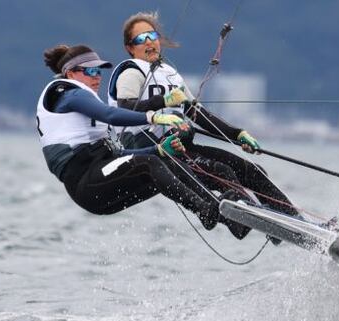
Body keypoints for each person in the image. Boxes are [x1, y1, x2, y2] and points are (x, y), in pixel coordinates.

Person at [108, 11, 300, 226]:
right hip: (154, 149)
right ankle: (256, 221)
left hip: (183, 145)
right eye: (141, 39)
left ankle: (295, 220)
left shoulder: (170, 74)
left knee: (250, 170)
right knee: (222, 172)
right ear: (130, 47)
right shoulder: (131, 72)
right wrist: (163, 100)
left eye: (152, 35)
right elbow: (124, 109)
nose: (150, 42)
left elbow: (198, 115)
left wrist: (237, 134)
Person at [37, 44, 250, 238]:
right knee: (150, 164)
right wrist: (152, 116)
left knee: (167, 161)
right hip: (86, 185)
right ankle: (205, 210)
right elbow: (111, 115)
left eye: (99, 71)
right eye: (91, 71)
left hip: (102, 179)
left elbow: (119, 157)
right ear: (70, 73)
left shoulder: (84, 102)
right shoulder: (64, 92)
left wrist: (158, 149)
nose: (98, 76)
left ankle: (223, 214)